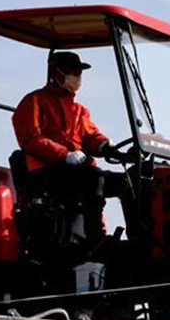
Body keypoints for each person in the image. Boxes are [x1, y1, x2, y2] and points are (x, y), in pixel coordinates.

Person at [11, 51, 121, 245]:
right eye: (72, 72)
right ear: (56, 72)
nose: (77, 77)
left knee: (129, 182)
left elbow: (90, 135)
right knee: (94, 179)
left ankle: (142, 241)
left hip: (75, 171)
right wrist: (65, 155)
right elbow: (31, 139)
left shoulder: (79, 110)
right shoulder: (34, 101)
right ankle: (96, 239)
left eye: (79, 73)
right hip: (46, 172)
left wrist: (105, 145)